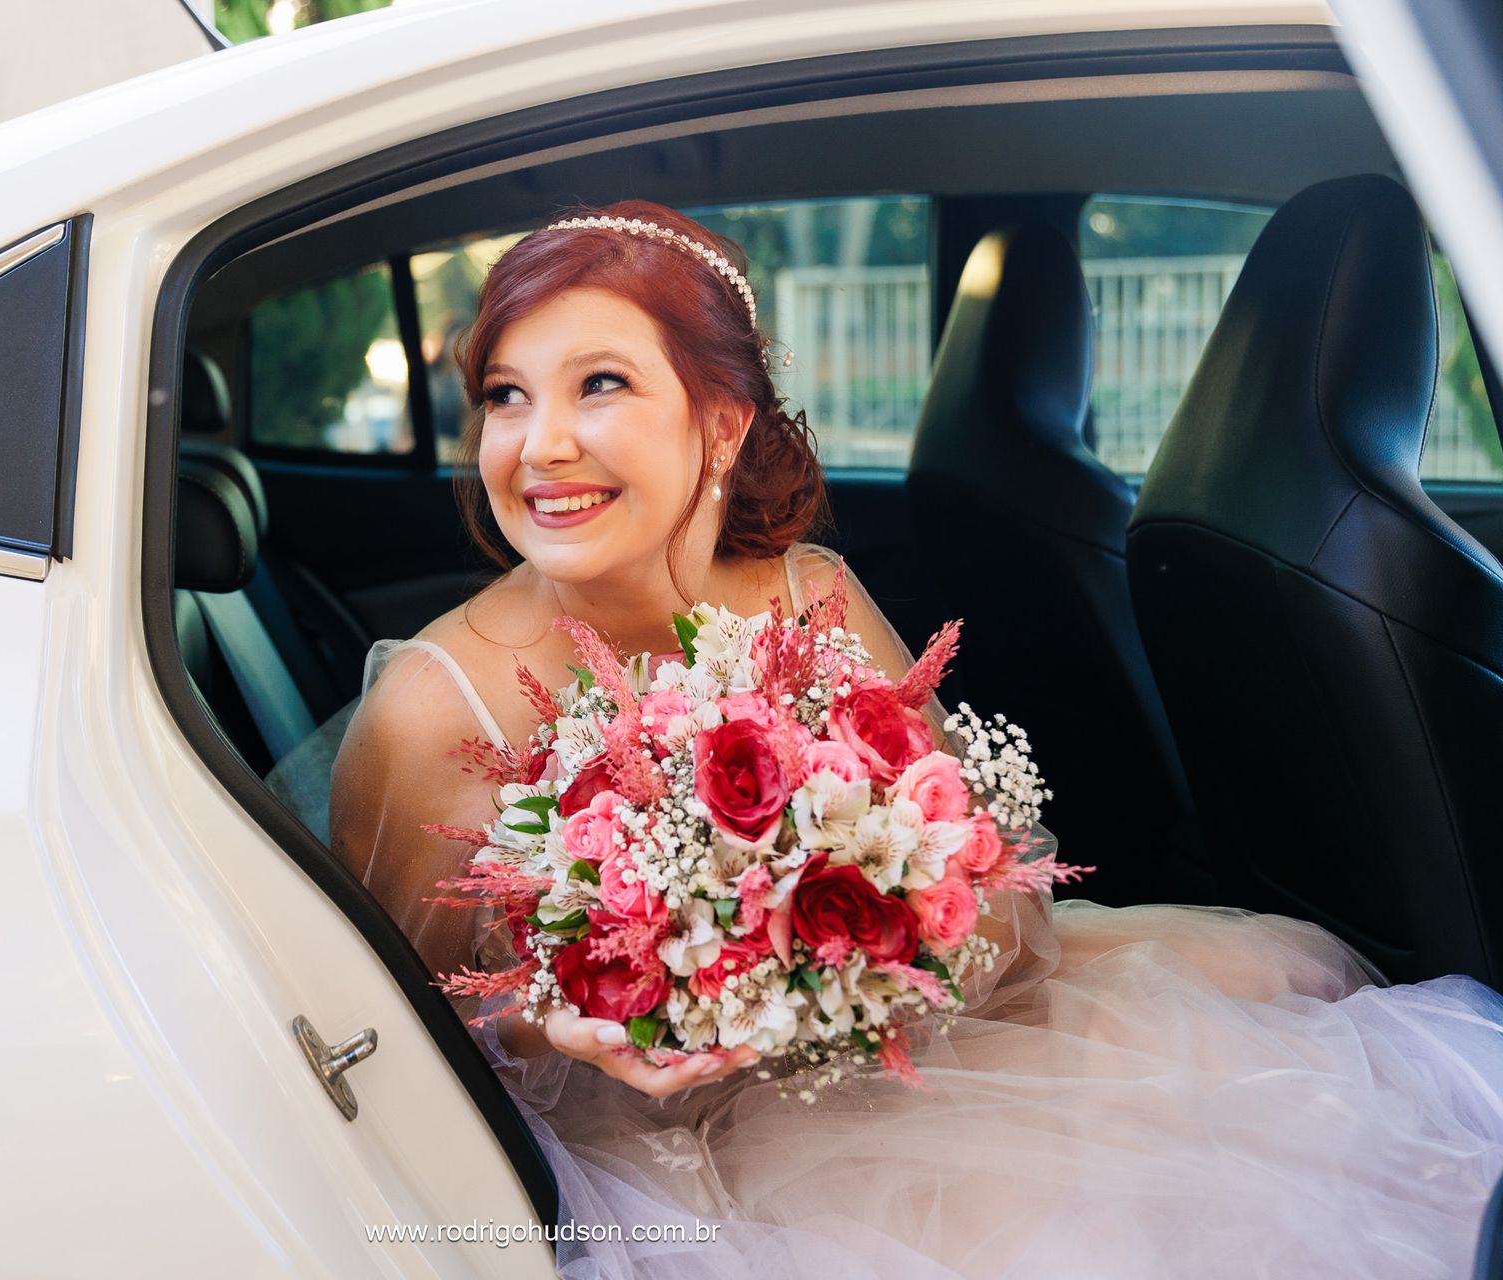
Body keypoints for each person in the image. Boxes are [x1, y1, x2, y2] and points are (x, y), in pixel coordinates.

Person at [324, 199, 1503, 1278]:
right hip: (653, 1160)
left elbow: (986, 867)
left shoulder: (806, 591)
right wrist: (567, 1019)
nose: (540, 447)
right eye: (505, 395)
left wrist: (870, 941)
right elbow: (395, 1031)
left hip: (896, 1057)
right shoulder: (436, 708)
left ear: (722, 423)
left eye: (600, 385)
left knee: (1279, 1021)